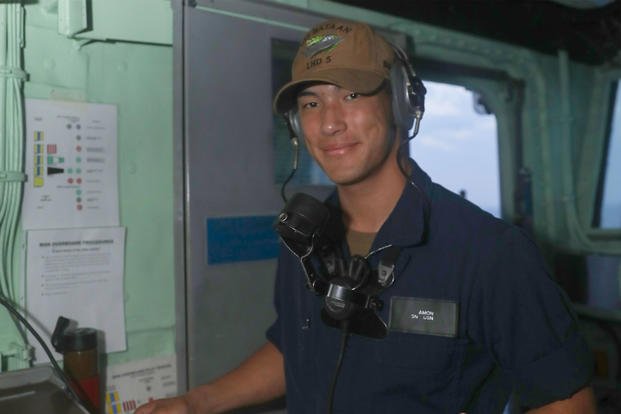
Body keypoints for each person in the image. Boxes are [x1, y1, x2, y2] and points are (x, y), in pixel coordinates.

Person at [136, 18, 596, 414]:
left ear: (399, 103)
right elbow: (294, 347)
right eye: (311, 103)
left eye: (351, 95)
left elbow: (566, 398)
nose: (328, 123)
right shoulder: (305, 239)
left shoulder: (490, 253)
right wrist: (198, 403)